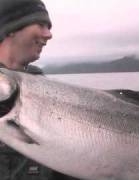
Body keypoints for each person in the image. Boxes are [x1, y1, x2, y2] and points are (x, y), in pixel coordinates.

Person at [0, 0, 77, 179]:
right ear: (11, 27)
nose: (49, 34)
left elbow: (61, 160)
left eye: (48, 27)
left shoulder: (46, 87)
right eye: (41, 25)